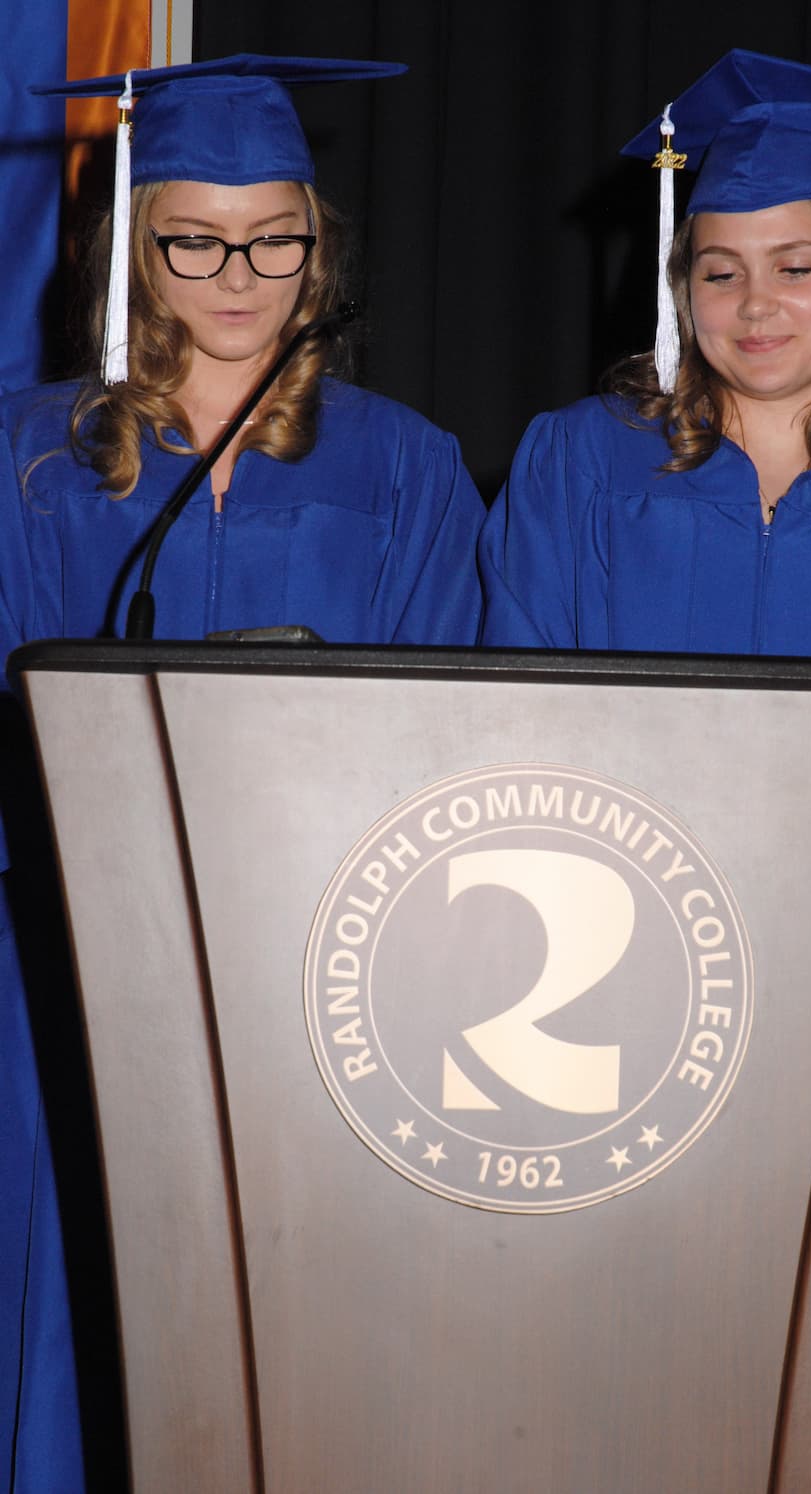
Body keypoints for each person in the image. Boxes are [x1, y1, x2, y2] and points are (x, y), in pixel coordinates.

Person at [479, 50, 811, 1494]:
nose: (754, 306)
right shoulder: (582, 468)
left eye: (793, 265)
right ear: (677, 284)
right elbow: (507, 731)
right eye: (718, 270)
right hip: (624, 1027)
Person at [0, 54, 484, 1489]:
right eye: (194, 238)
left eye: (276, 238)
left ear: (317, 245)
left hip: (314, 983)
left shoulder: (404, 464)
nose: (238, 274)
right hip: (74, 968)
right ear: (134, 248)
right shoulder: (36, 457)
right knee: (76, 1318)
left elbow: (444, 724)